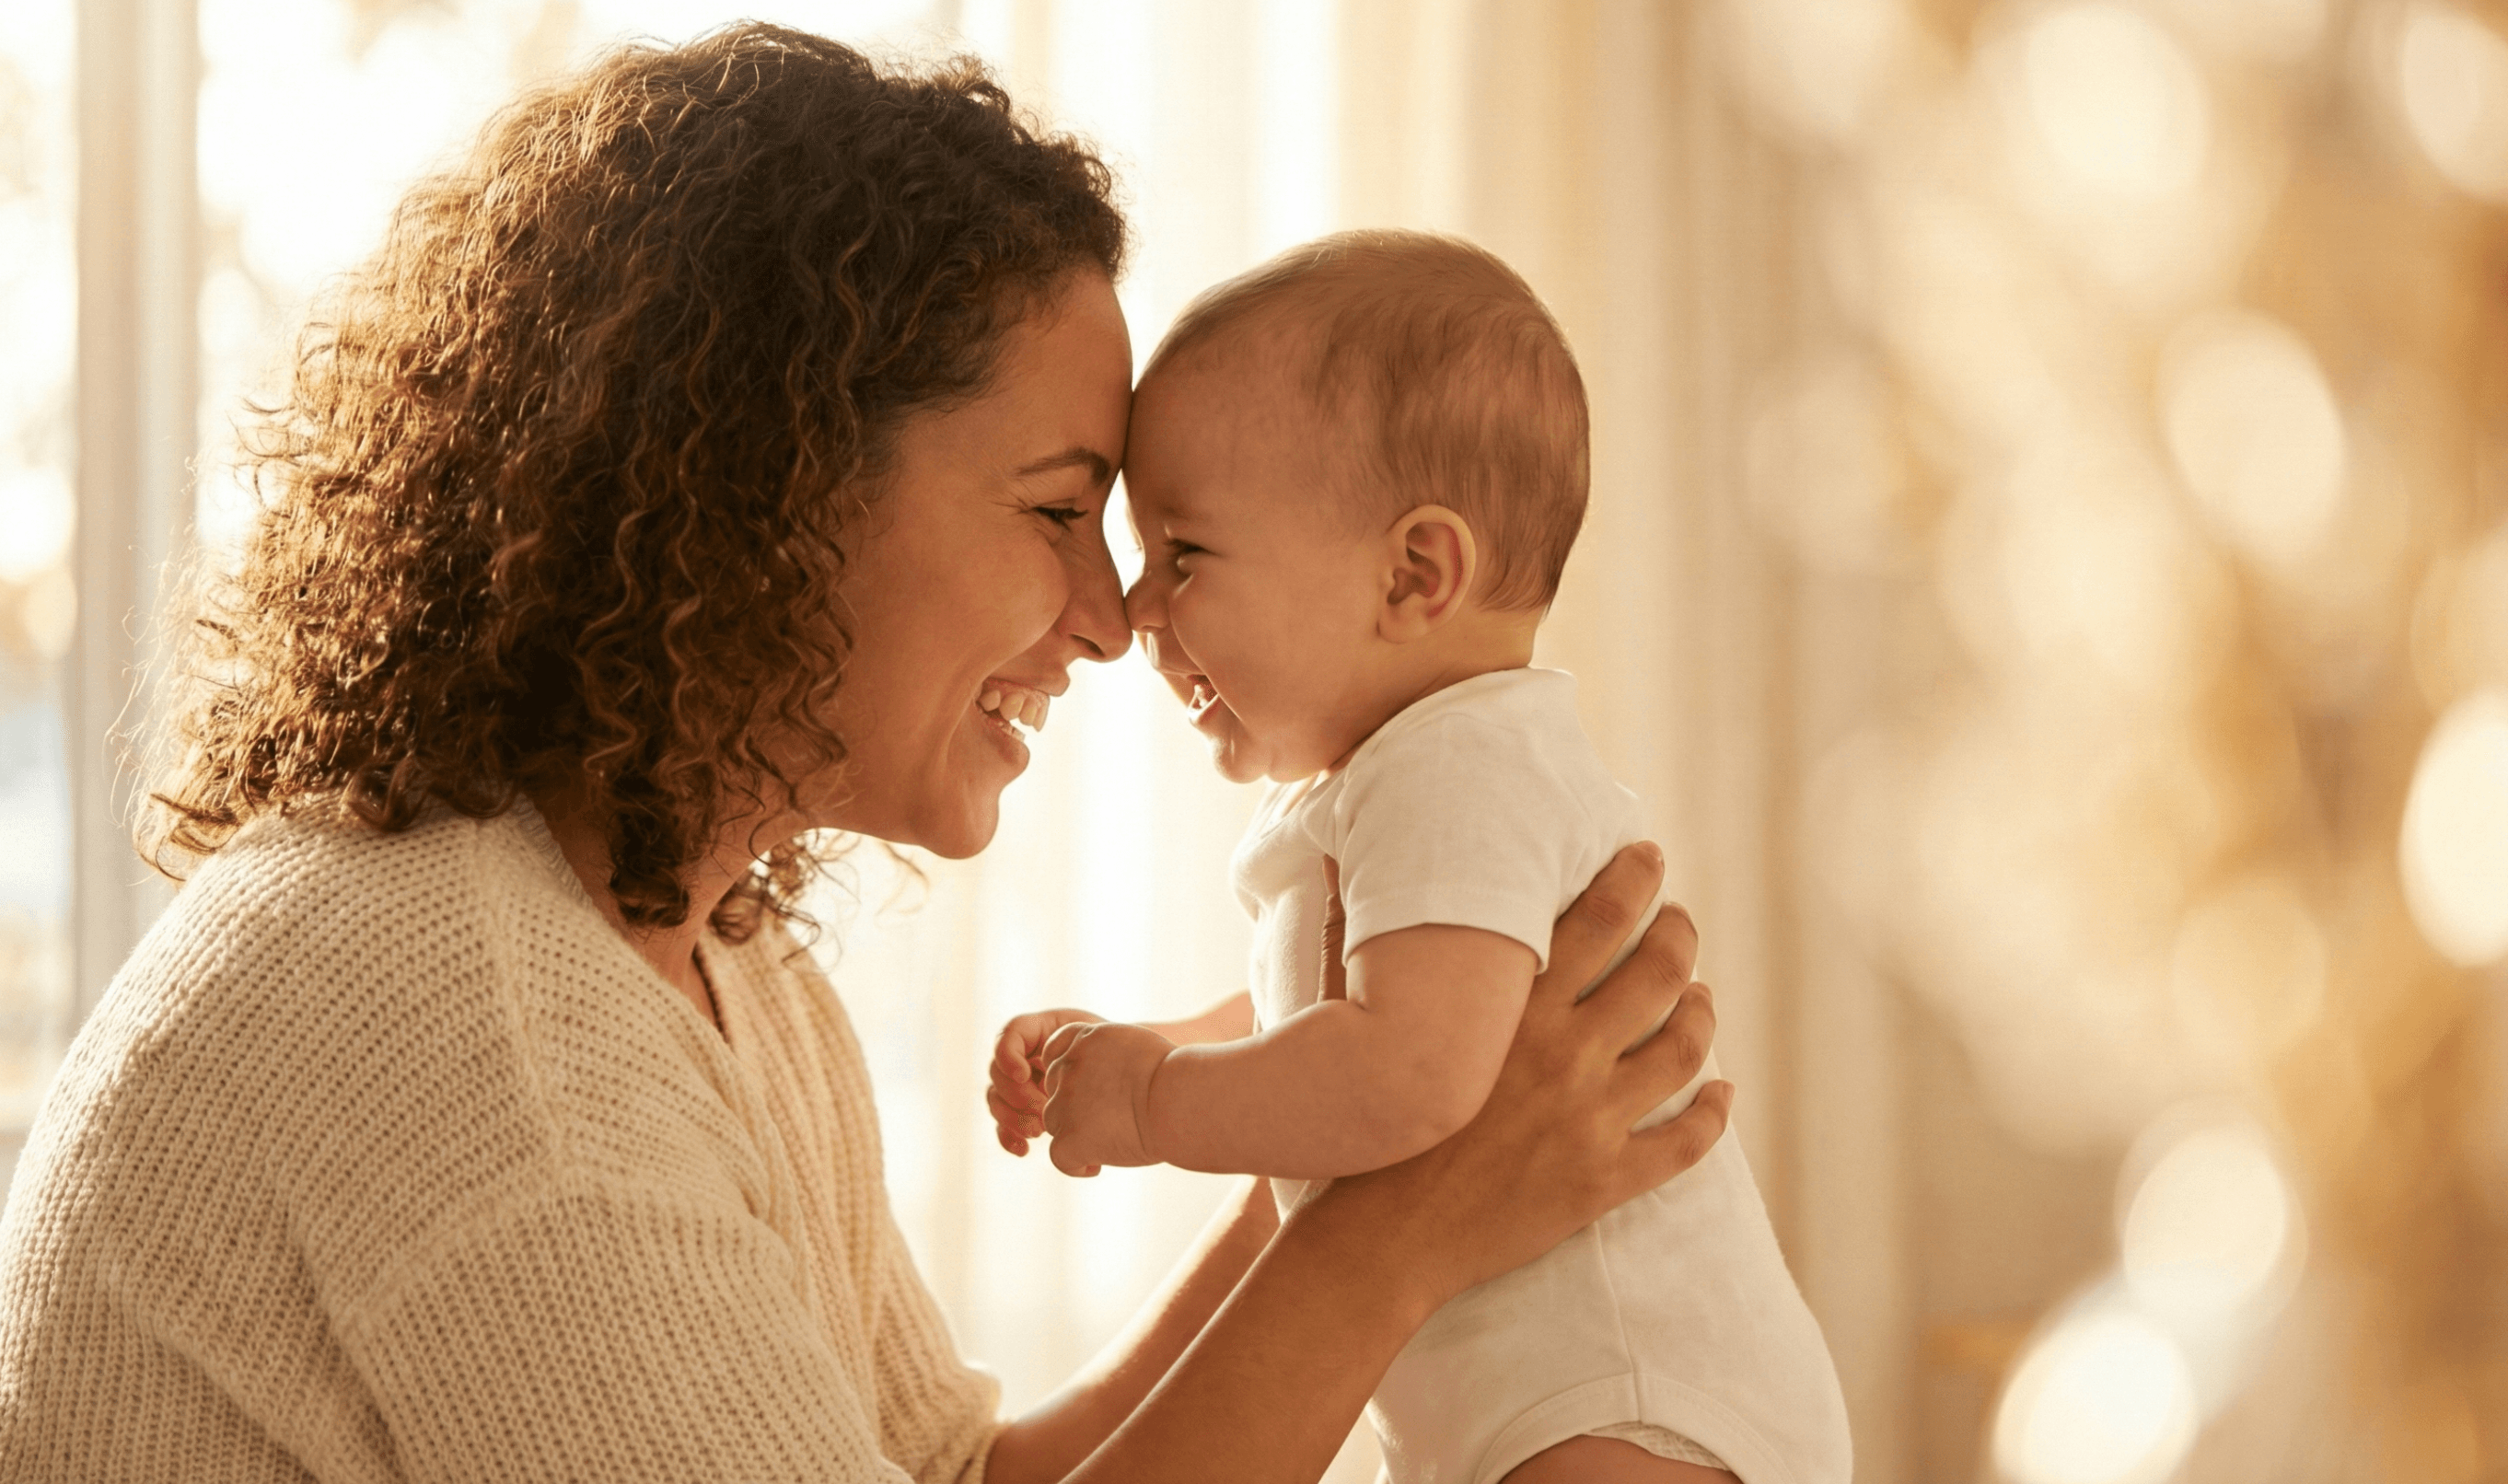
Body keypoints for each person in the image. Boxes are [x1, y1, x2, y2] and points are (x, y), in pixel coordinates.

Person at [0, 28, 1733, 1484]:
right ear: (771, 486)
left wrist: (1383, 1126)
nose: (1116, 620)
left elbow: (950, 1478)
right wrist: (1412, 1220)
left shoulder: (716, 965)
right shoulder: (478, 1027)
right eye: (1060, 512)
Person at [986, 233, 1847, 1484]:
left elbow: (1402, 1072)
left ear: (1413, 573)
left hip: (1622, 1405)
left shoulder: (1460, 767)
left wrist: (1151, 1101)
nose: (1138, 610)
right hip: (1553, 1403)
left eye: (1185, 554)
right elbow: (1332, 1020)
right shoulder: (1409, 775)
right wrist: (1158, 1040)